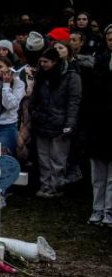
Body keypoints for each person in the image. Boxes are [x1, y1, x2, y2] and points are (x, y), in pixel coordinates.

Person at [30, 47, 82, 197]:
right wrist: (33, 111)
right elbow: (35, 96)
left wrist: (70, 124)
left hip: (60, 123)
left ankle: (56, 185)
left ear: (54, 61)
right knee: (43, 157)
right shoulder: (41, 76)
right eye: (41, 62)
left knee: (58, 158)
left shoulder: (71, 76)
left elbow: (74, 101)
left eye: (46, 62)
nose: (43, 64)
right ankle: (45, 184)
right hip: (42, 121)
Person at [81, 25, 112, 225]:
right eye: (109, 35)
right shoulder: (97, 61)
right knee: (98, 174)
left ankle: (109, 210)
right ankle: (97, 208)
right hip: (98, 125)